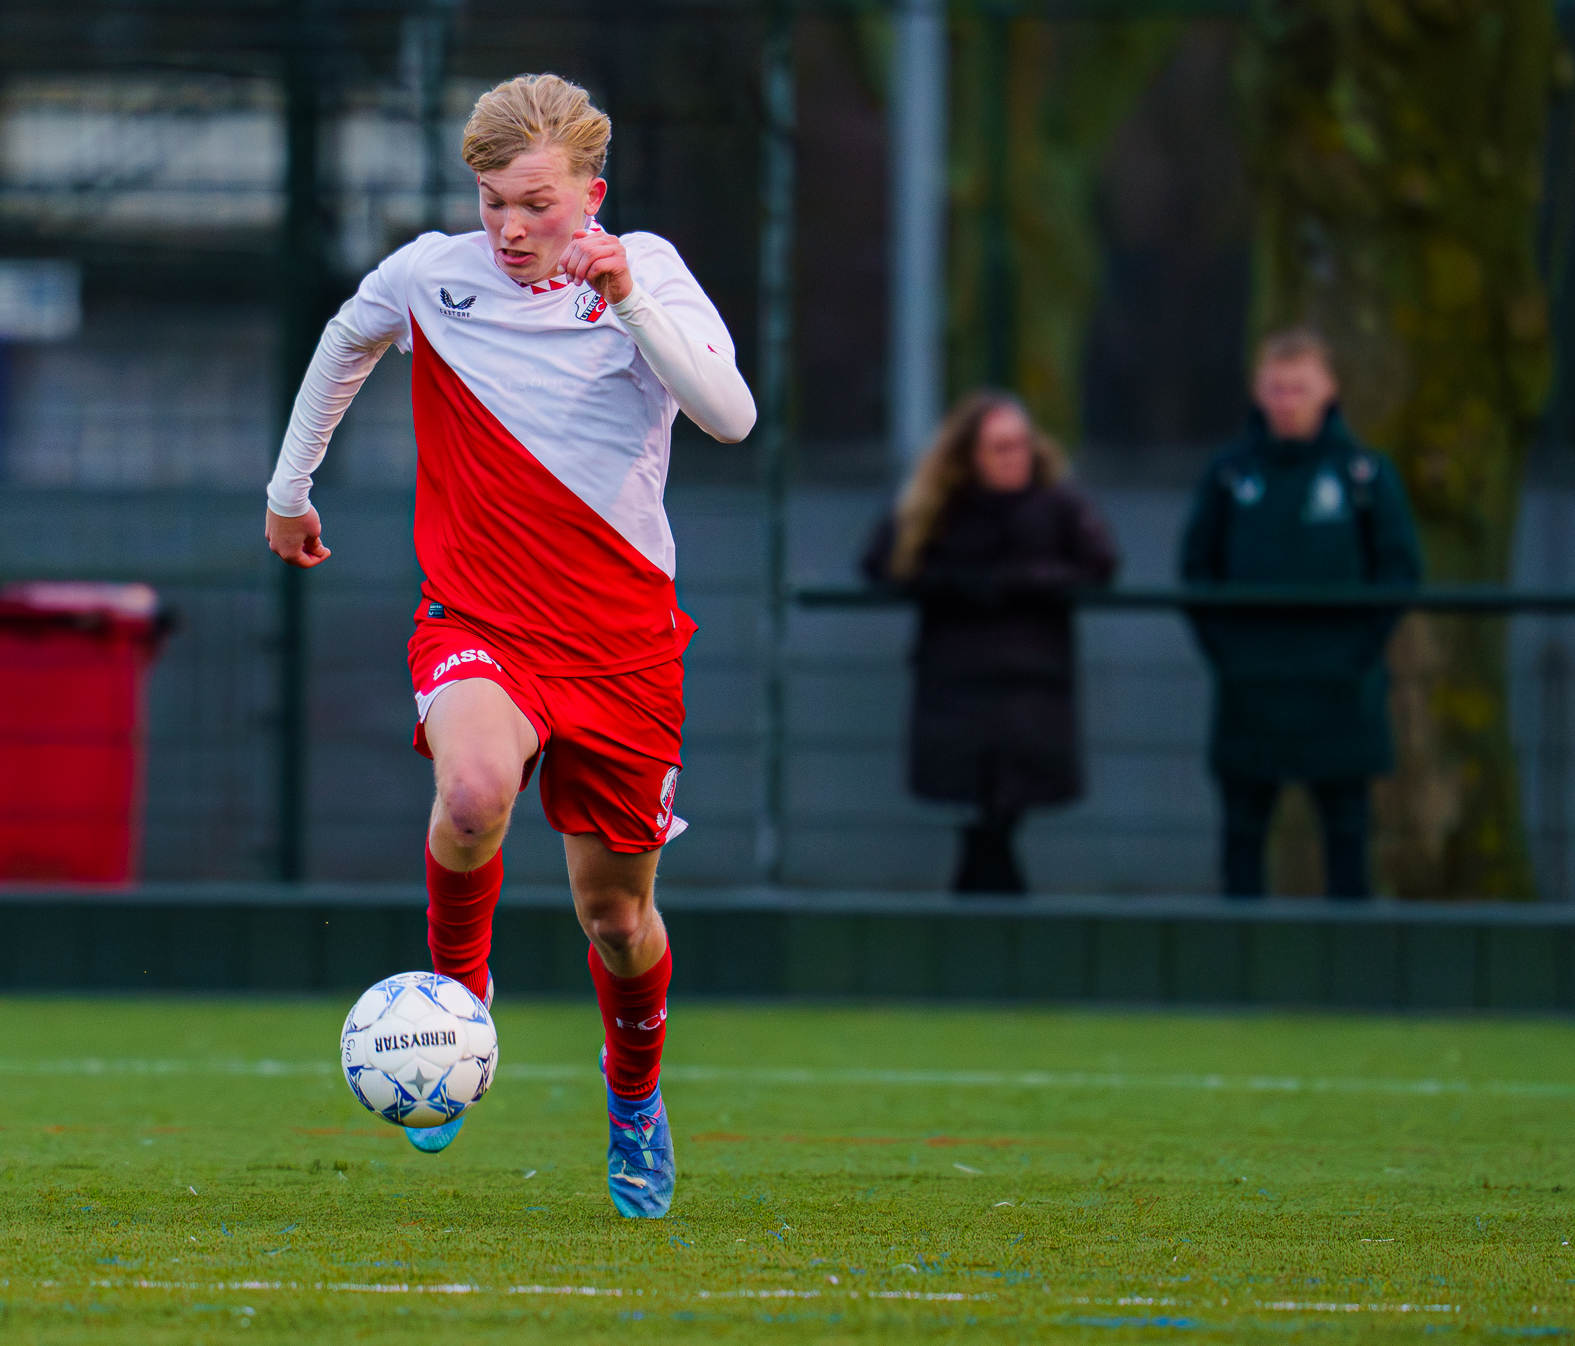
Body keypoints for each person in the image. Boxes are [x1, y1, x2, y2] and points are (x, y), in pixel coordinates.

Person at [264, 75, 754, 1217]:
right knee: (473, 792)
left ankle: (632, 1097)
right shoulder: (431, 273)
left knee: (616, 922)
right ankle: (455, 1000)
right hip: (479, 619)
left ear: (592, 190)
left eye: (536, 203)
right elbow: (345, 341)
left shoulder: (648, 270)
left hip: (622, 647)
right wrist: (289, 490)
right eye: (491, 203)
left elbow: (728, 415)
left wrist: (627, 296)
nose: (511, 229)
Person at [1179, 327, 1422, 899]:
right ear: (1258, 392)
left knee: (1347, 837)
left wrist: (1357, 654)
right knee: (1241, 835)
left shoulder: (1364, 476)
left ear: (1329, 390)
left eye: (1300, 389)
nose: (1287, 401)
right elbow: (1196, 569)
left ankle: (1350, 972)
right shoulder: (1228, 475)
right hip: (1251, 691)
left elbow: (1399, 570)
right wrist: (1230, 656)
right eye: (1276, 388)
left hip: (1340, 690)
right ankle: (1239, 972)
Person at [861, 392, 1117, 892]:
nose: (1014, 458)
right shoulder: (938, 507)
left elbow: (1101, 564)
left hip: (1031, 688)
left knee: (1003, 819)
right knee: (979, 821)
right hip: (958, 687)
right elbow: (884, 563)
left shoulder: (1057, 504)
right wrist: (955, 580)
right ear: (970, 456)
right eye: (1000, 448)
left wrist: (1026, 579)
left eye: (1021, 445)